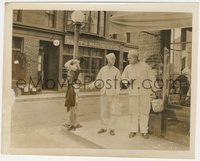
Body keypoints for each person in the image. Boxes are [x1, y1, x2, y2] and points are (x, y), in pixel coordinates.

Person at [122, 49, 157, 139]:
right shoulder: (128, 68)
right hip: (133, 93)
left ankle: (144, 131)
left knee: (144, 112)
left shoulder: (145, 66)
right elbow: (123, 78)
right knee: (133, 112)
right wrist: (129, 81)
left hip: (144, 92)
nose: (128, 60)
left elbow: (151, 78)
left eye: (129, 58)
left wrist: (155, 89)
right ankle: (133, 130)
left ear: (135, 57)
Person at [88, 53, 121, 136]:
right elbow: (98, 80)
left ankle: (112, 128)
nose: (114, 61)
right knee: (103, 111)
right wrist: (91, 85)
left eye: (114, 59)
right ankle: (103, 127)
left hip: (112, 94)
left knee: (112, 111)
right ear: (108, 59)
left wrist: (117, 91)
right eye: (112, 59)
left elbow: (118, 83)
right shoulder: (103, 69)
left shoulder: (117, 71)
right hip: (103, 93)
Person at [63, 59, 82, 131]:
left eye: (73, 64)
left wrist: (72, 60)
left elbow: (66, 64)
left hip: (73, 89)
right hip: (72, 88)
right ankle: (74, 123)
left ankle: (72, 124)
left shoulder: (75, 68)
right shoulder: (73, 69)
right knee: (73, 107)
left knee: (73, 106)